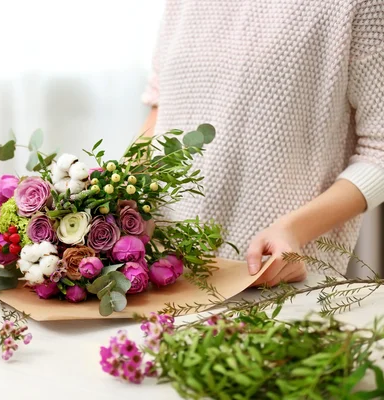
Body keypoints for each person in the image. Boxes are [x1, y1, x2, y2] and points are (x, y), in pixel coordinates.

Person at [141, 1, 384, 286]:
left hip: (274, 279)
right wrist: (117, 194)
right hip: (160, 273)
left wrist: (292, 230)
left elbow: (378, 151)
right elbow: (162, 110)